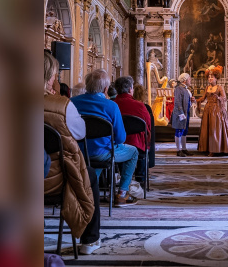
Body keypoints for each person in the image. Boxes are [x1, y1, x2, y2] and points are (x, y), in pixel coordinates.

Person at [43, 52, 99, 253]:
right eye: (55, 75)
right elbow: (80, 133)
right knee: (89, 176)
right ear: (50, 77)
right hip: (53, 178)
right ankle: (89, 240)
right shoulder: (62, 105)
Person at [71, 69, 140, 206]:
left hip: (76, 151)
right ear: (106, 88)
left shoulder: (72, 102)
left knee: (98, 151)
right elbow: (120, 138)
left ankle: (87, 190)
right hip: (102, 153)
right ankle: (122, 194)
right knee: (133, 152)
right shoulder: (111, 106)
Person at [112, 76, 153, 185]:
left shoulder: (112, 105)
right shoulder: (140, 106)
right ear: (130, 89)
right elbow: (148, 126)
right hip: (137, 144)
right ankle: (141, 179)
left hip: (116, 145)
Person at [196, 73, 228, 156]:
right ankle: (208, 148)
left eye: (212, 77)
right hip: (208, 110)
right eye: (209, 77)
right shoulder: (207, 87)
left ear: (216, 78)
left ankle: (216, 149)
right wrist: (196, 100)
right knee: (208, 129)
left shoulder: (219, 87)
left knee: (214, 129)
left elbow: (224, 97)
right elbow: (203, 98)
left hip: (217, 110)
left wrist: (218, 98)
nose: (210, 78)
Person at [132, 84, 156, 173]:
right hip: (142, 142)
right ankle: (141, 177)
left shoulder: (129, 107)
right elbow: (150, 129)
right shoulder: (146, 108)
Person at [171, 73, 193, 156]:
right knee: (179, 130)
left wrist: (192, 100)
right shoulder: (178, 89)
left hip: (186, 112)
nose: (190, 81)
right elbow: (177, 102)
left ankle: (184, 148)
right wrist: (181, 113)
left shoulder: (186, 89)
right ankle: (178, 150)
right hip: (180, 113)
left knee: (184, 130)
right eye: (189, 79)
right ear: (185, 80)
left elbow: (186, 100)